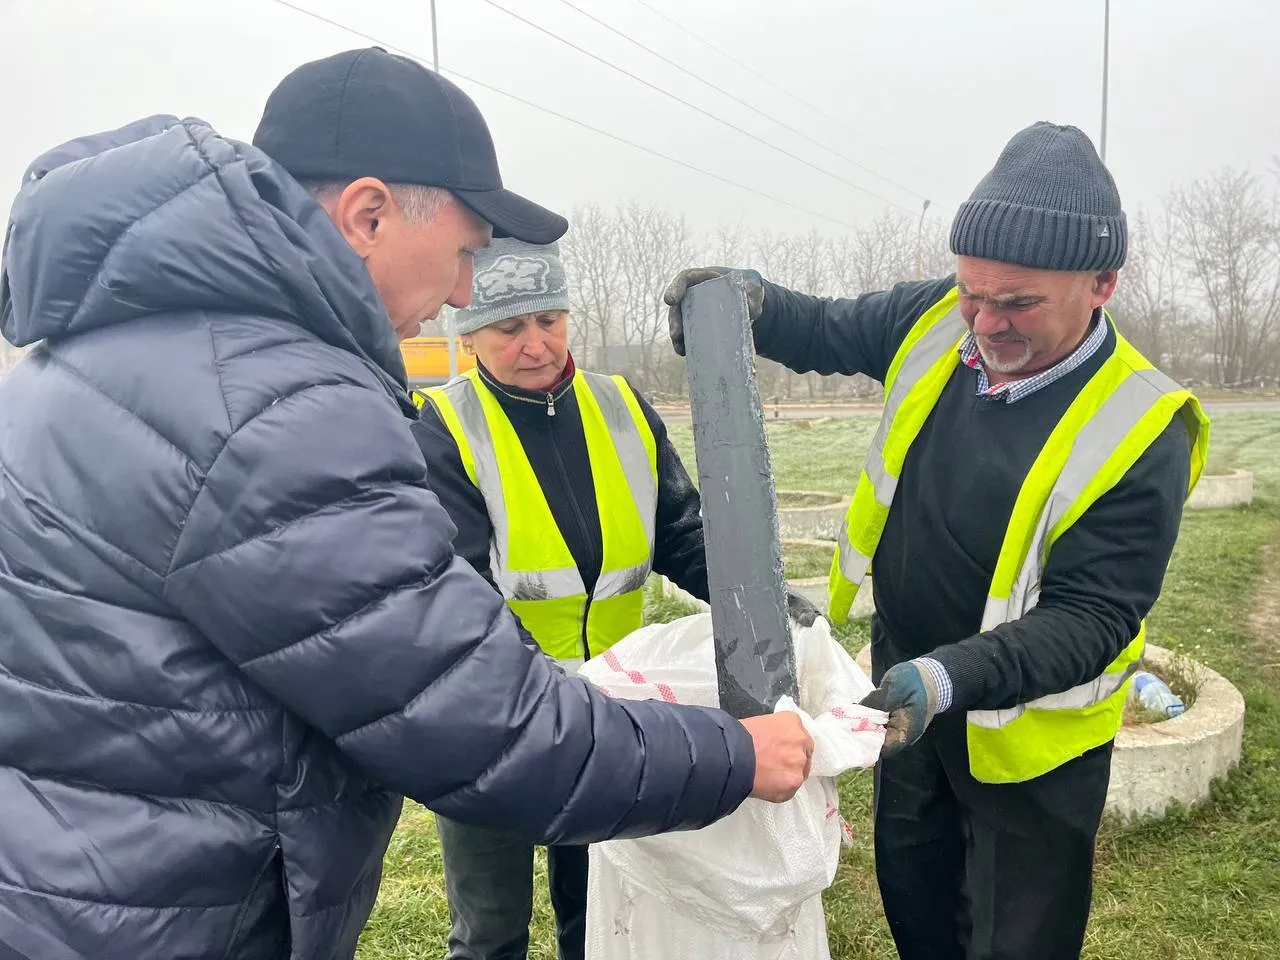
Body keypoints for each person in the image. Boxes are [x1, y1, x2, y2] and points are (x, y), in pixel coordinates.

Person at [0, 47, 813, 960]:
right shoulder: (277, 408)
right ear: (369, 213)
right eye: (466, 253)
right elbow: (476, 719)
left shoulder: (111, 359)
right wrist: (738, 756)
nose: (467, 290)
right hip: (163, 912)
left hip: (79, 880)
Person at [663, 122, 1210, 960]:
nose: (985, 324)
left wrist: (950, 676)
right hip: (907, 706)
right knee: (917, 910)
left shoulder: (1142, 426)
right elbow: (823, 329)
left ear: (1101, 283)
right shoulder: (931, 324)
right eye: (972, 294)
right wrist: (749, 303)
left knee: (1014, 939)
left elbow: (1092, 617)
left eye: (1019, 303)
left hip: (1031, 748)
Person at [413, 237, 813, 960]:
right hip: (486, 717)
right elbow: (456, 588)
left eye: (550, 321)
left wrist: (764, 604)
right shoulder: (442, 426)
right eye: (510, 328)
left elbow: (682, 537)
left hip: (602, 717)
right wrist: (530, 695)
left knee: (596, 910)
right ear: (468, 334)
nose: (536, 345)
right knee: (489, 926)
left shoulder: (622, 406)